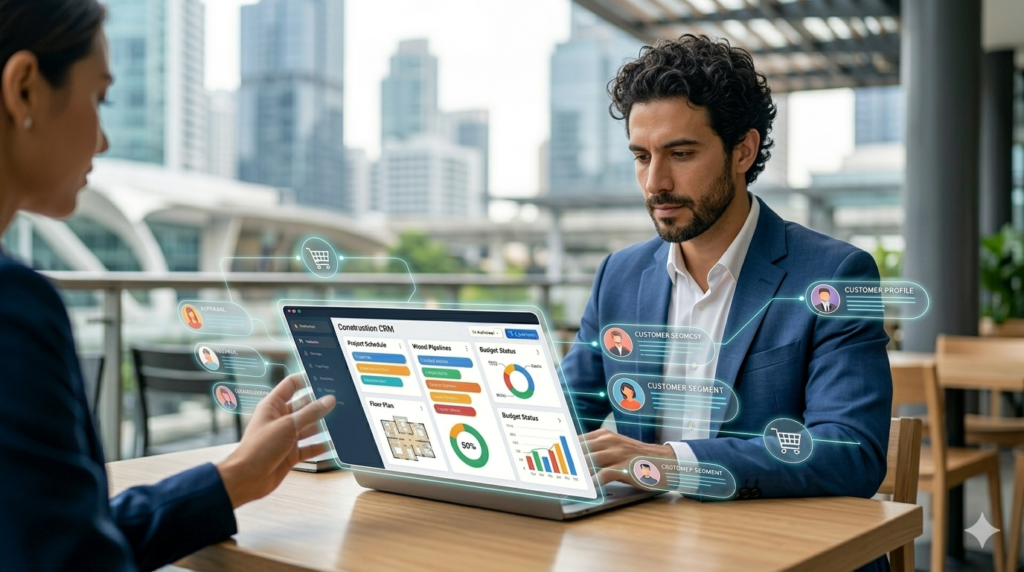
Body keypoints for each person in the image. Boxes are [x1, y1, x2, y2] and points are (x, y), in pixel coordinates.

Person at [0, 2, 336, 569]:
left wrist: (234, 477)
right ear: (25, 88)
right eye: (99, 98)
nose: (103, 140)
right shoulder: (14, 308)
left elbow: (61, 539)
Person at [562, 35, 890, 571]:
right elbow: (557, 414)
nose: (655, 183)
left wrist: (669, 462)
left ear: (742, 150)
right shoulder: (618, 276)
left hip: (782, 551)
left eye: (680, 154)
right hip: (644, 549)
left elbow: (849, 450)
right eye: (642, 157)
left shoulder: (834, 274)